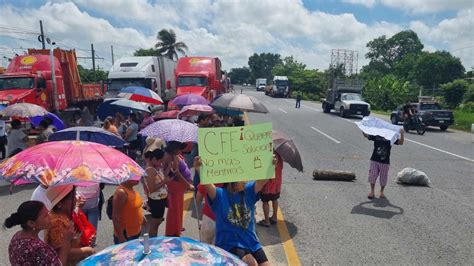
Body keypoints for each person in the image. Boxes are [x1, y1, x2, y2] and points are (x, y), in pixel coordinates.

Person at [195, 156, 274, 266]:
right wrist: (199, 169)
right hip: (229, 243)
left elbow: (263, 180)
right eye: (242, 179)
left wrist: (271, 165)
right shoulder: (219, 195)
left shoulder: (248, 191)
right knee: (251, 263)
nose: (245, 181)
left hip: (251, 242)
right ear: (232, 181)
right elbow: (207, 184)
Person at [5, 201, 73, 266]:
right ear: (31, 223)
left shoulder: (17, 236)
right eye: (45, 216)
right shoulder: (38, 249)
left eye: (48, 213)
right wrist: (66, 241)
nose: (50, 217)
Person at [45, 185, 95, 264]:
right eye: (72, 198)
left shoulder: (65, 216)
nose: (75, 200)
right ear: (59, 203)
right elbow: (61, 252)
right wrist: (87, 250)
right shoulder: (57, 222)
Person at [363, 128, 404, 199]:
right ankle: (372, 191)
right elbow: (366, 136)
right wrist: (363, 128)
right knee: (372, 175)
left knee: (383, 177)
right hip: (374, 160)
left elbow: (400, 142)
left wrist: (402, 134)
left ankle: (381, 191)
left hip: (385, 162)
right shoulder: (377, 136)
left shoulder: (391, 138)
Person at [164, 141, 194, 237]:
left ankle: (177, 227)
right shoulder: (169, 157)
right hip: (174, 185)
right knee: (174, 209)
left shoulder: (175, 155)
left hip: (178, 186)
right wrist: (187, 185)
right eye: (180, 148)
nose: (181, 150)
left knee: (179, 207)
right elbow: (176, 173)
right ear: (174, 148)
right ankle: (172, 231)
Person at [143, 149, 170, 237]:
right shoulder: (150, 170)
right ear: (154, 159)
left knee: (157, 222)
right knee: (155, 223)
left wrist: (169, 167)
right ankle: (152, 241)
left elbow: (161, 177)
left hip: (160, 199)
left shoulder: (156, 168)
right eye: (160, 160)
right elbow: (152, 188)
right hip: (156, 201)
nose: (161, 163)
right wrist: (165, 182)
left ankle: (154, 239)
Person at [112, 179, 145, 244]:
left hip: (135, 231)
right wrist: (121, 237)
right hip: (126, 234)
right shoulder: (121, 192)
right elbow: (115, 217)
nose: (138, 178)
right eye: (135, 176)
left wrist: (142, 219)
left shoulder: (131, 188)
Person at [258, 152, 283, 227]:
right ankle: (274, 217)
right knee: (274, 199)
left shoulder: (269, 155)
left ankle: (266, 221)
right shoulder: (280, 155)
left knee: (265, 201)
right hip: (277, 183)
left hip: (268, 183)